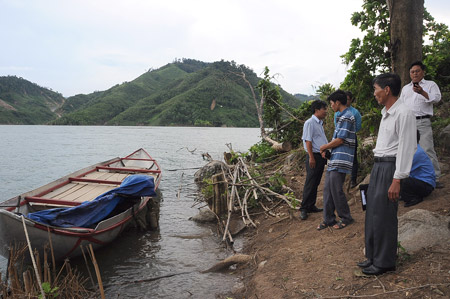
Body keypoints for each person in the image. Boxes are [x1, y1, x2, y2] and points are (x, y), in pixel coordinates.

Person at [358, 73, 417, 276]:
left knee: (385, 215)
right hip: (378, 166)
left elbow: (407, 148)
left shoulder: (404, 113)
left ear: (387, 90)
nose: (374, 94)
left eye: (376, 89)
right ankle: (373, 256)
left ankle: (385, 262)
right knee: (373, 213)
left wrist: (397, 179)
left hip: (391, 168)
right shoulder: (386, 112)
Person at [399, 61, 443, 189]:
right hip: (408, 122)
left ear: (423, 72)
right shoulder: (406, 88)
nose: (415, 74)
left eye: (417, 71)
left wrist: (422, 92)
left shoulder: (430, 85)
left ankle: (434, 177)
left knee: (427, 148)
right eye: (412, 72)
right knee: (408, 150)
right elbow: (401, 105)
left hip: (423, 121)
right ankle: (413, 177)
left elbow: (437, 99)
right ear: (409, 74)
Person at [317, 90, 356, 230]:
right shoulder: (340, 116)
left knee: (336, 189)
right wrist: (328, 151)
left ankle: (346, 217)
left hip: (342, 158)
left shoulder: (347, 117)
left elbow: (341, 139)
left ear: (338, 102)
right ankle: (328, 219)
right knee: (327, 189)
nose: (331, 106)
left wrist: (324, 147)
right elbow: (337, 140)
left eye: (332, 103)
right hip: (335, 158)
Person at [300, 100, 328, 220]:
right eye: (324, 109)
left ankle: (311, 205)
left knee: (316, 182)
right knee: (310, 182)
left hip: (320, 156)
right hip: (314, 156)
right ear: (317, 110)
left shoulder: (319, 123)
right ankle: (304, 208)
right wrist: (311, 157)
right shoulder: (310, 123)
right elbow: (308, 141)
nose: (326, 111)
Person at [334, 91, 362, 187]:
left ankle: (353, 180)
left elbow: (358, 126)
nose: (346, 101)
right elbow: (336, 125)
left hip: (351, 137)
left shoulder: (355, 112)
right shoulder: (337, 112)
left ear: (351, 100)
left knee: (353, 159)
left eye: (348, 99)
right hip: (339, 137)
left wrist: (348, 130)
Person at [401, 131, 436, 207]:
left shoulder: (416, 152)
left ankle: (413, 198)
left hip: (426, 185)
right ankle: (405, 194)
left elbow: (404, 170)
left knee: (403, 180)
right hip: (420, 182)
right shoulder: (413, 150)